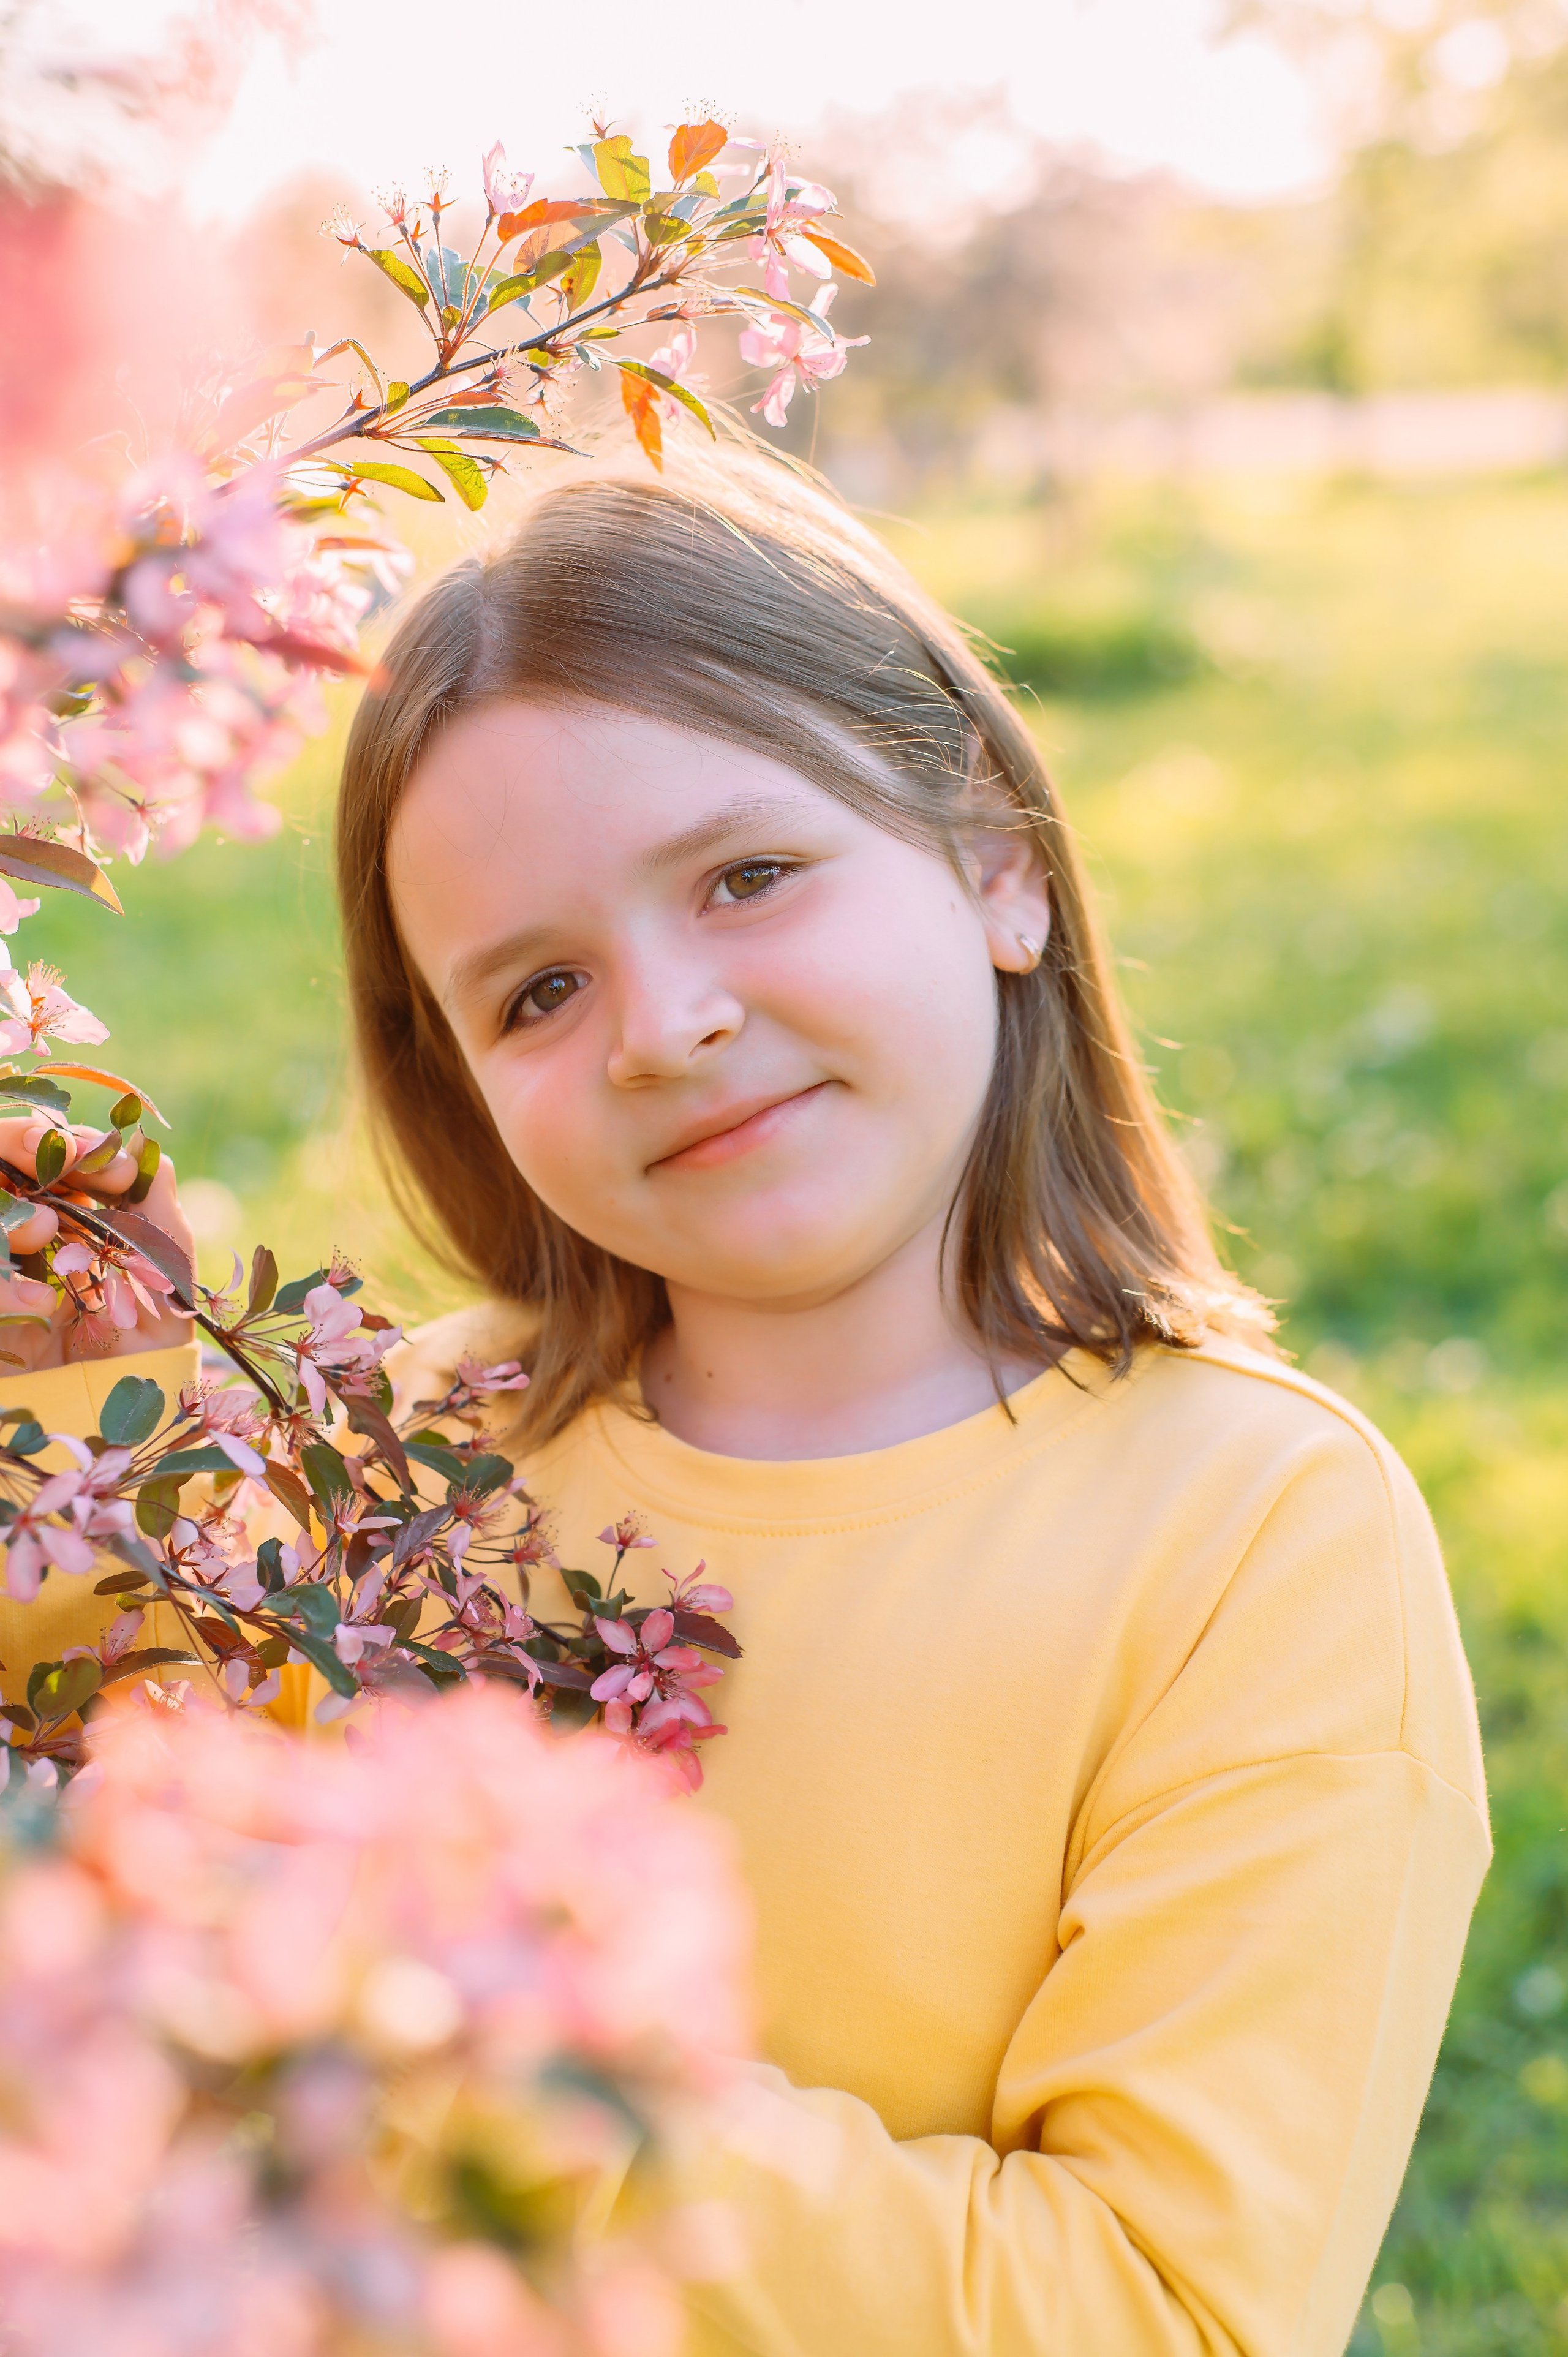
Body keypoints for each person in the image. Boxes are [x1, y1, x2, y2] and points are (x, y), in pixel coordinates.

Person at [0, 447, 1488, 2355]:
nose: (666, 1024)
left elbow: (1161, 2308)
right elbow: (120, 1879)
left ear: (998, 865)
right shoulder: (408, 1451)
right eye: (538, 992)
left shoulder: (1258, 1542)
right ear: (460, 1082)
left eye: (749, 878)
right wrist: (82, 1431)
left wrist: (468, 2059)